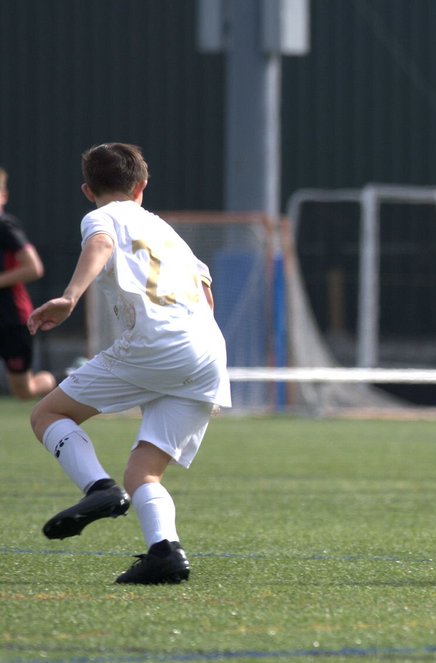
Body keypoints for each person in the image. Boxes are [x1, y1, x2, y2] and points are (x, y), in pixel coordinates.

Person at [28, 143, 231, 583]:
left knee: (48, 414)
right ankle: (166, 554)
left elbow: (101, 243)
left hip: (157, 344)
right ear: (142, 185)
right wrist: (198, 370)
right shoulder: (167, 231)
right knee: (144, 472)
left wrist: (70, 297)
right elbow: (206, 294)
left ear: (88, 191)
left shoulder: (101, 217)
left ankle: (99, 489)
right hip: (208, 351)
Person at [0, 167, 57, 400]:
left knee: (24, 391)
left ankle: (70, 375)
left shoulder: (5, 227)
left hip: (12, 320)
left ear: (3, 196)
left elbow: (34, 268)